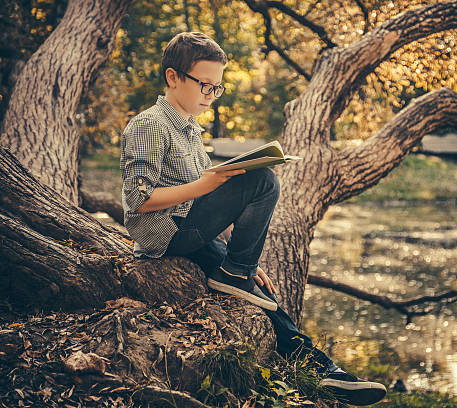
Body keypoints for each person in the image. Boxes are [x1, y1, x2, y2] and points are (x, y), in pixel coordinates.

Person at [120, 31, 387, 406]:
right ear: (173, 77)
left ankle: (323, 371)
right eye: (204, 85)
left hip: (190, 230)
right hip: (165, 236)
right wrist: (205, 183)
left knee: (263, 299)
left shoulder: (189, 129)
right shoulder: (150, 125)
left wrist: (242, 258)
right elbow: (138, 200)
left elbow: (210, 203)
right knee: (262, 178)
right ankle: (234, 275)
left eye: (217, 87)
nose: (210, 95)